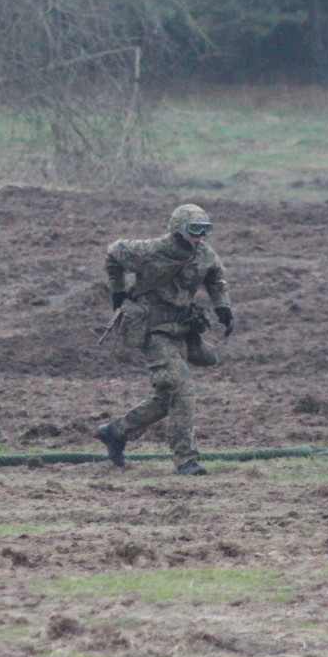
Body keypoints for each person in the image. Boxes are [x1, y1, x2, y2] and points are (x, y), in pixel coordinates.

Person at [96, 203, 235, 475]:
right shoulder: (149, 251)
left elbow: (216, 281)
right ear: (178, 230)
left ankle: (115, 432)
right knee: (181, 389)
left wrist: (224, 309)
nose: (201, 236)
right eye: (195, 230)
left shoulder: (205, 254)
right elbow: (113, 253)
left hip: (181, 328)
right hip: (151, 329)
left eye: (206, 230)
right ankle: (186, 460)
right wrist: (117, 291)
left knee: (166, 397)